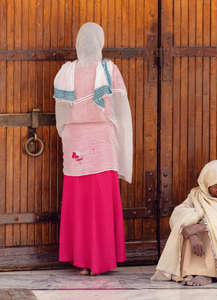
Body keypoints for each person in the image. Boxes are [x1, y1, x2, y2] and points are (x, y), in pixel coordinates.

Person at [54, 22, 133, 275]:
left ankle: (82, 259)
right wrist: (117, 135)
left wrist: (70, 134)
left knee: (79, 198)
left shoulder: (65, 72)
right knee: (99, 198)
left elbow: (62, 115)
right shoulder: (109, 70)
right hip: (102, 138)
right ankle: (100, 260)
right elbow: (120, 110)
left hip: (74, 138)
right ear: (101, 42)